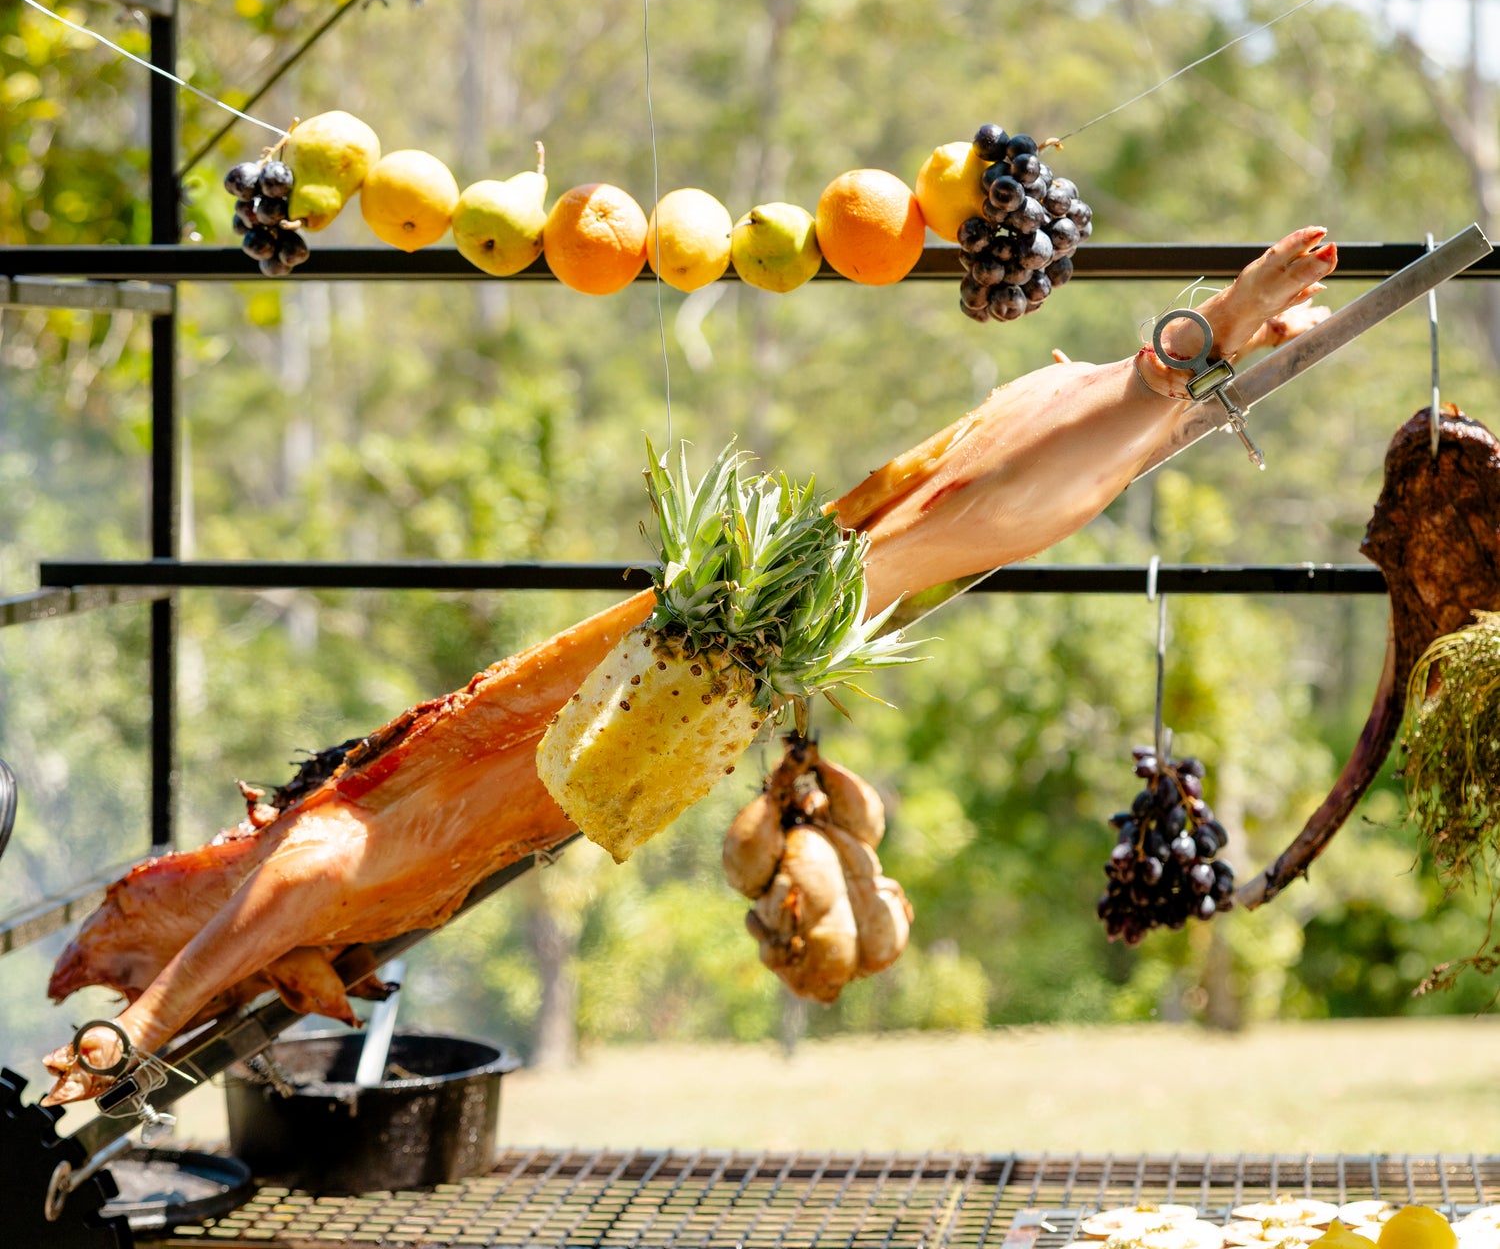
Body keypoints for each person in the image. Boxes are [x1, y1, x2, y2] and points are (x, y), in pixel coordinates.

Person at [45, 226, 1335, 1098]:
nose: (98, 957)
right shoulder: (325, 910)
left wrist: (149, 1011)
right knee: (908, 539)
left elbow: (310, 867)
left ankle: (1153, 375)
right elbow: (304, 928)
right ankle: (1151, 382)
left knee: (907, 537)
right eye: (116, 951)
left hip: (651, 681)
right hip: (638, 714)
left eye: (120, 936)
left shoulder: (303, 858)